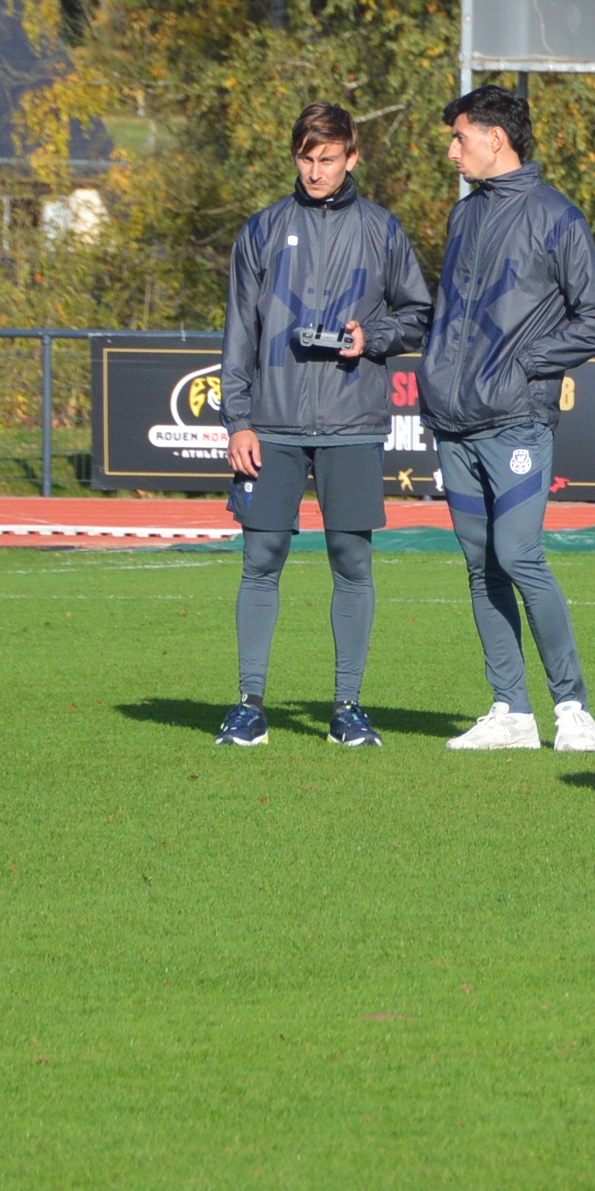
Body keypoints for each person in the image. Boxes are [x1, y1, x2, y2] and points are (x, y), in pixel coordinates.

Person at [215, 103, 433, 747]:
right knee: (261, 557)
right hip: (271, 424)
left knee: (351, 559)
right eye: (307, 158)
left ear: (352, 158)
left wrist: (373, 337)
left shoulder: (383, 229)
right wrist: (238, 420)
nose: (316, 171)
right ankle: (249, 704)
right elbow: (239, 330)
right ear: (296, 157)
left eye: (328, 159)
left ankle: (348, 707)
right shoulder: (261, 230)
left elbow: (419, 315)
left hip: (352, 421)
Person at [421, 85, 595, 753]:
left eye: (460, 138)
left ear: (495, 138)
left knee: (518, 554)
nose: (453, 151)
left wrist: (526, 361)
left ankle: (574, 708)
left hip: (516, 419)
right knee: (481, 564)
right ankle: (510, 710)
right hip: (455, 422)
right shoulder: (464, 214)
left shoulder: (556, 216)